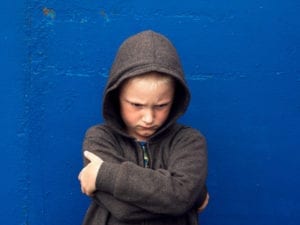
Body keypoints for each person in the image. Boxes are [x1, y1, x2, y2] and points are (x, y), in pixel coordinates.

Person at [78, 30, 209, 225]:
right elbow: (123, 211)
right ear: (116, 98)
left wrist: (105, 174)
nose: (149, 118)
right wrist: (187, 198)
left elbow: (180, 198)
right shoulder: (99, 139)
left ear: (174, 100)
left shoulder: (189, 141)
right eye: (136, 105)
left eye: (161, 106)